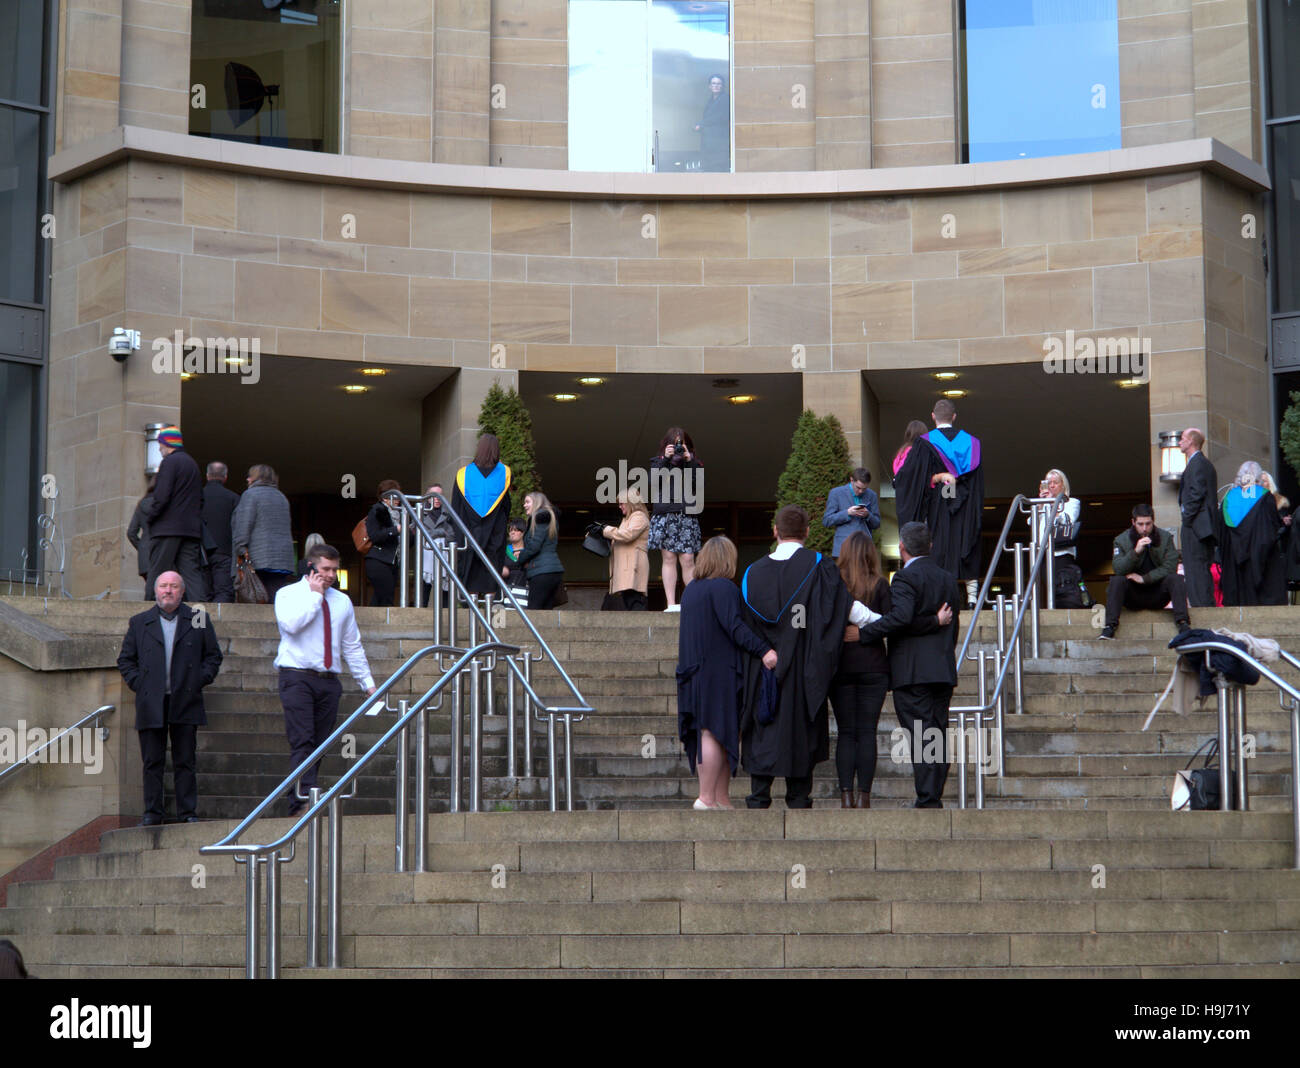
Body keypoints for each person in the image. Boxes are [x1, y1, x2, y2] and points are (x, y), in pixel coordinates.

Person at [738, 505, 853, 809]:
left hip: (763, 669)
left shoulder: (752, 573)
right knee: (800, 731)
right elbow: (837, 612)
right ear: (807, 533)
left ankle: (759, 795)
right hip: (804, 672)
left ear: (775, 531)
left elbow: (744, 627)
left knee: (763, 725)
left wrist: (766, 652)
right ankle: (799, 798)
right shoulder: (820, 567)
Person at [831, 532, 954, 809]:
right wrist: (935, 622)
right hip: (898, 668)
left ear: (902, 547)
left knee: (848, 732)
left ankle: (848, 795)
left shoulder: (897, 579)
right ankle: (872, 796)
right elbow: (902, 621)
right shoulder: (943, 578)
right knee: (924, 733)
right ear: (930, 545)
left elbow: (899, 621)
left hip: (857, 667)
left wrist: (860, 634)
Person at [273, 543, 375, 817]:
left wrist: (368, 683)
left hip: (329, 681)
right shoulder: (288, 594)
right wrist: (315, 598)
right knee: (303, 739)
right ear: (311, 568)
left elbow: (352, 645)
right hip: (296, 676)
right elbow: (291, 625)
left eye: (334, 569)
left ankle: (300, 793)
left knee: (319, 744)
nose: (331, 574)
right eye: (325, 569)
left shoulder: (342, 602)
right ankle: (303, 800)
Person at [677, 537, 778, 810]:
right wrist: (764, 650)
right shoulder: (723, 588)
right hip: (717, 671)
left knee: (711, 732)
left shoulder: (691, 590)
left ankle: (721, 799)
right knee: (714, 732)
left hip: (693, 671)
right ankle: (707, 797)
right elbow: (735, 627)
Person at [116, 570, 223, 825]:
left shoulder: (197, 617)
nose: (168, 591)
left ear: (182, 591)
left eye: (174, 586)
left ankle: (187, 813)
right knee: (152, 761)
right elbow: (125, 660)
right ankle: (153, 812)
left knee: (185, 760)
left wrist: (198, 679)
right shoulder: (140, 621)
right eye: (163, 586)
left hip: (185, 700)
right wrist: (139, 684)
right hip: (151, 701)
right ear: (155, 591)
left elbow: (213, 656)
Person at [1099, 503, 1190, 639]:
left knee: (1176, 579)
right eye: (1140, 524)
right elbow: (1118, 569)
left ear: (1153, 521)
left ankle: (1183, 623)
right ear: (1133, 522)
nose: (1144, 528)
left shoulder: (1165, 538)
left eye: (1148, 524)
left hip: (1158, 593)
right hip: (1133, 596)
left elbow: (1170, 567)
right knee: (1116, 580)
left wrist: (1144, 578)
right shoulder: (1121, 540)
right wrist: (1135, 552)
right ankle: (1109, 627)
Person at [143, 426, 208, 602]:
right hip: (190, 531)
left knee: (156, 573)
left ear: (167, 443)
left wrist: (150, 517)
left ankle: (147, 618)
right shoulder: (192, 464)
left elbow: (161, 497)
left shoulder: (169, 463)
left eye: (160, 444)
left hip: (167, 529)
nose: (159, 448)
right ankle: (199, 622)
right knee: (192, 577)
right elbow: (200, 500)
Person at [649, 426, 704, 611]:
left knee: (688, 559)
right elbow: (652, 484)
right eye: (674, 444)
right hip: (665, 514)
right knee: (669, 557)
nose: (679, 448)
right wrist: (665, 459)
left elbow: (697, 486)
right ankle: (671, 603)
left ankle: (693, 603)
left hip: (686, 514)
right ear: (666, 445)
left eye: (682, 444)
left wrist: (689, 461)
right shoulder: (657, 462)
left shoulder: (694, 463)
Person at [1219, 461, 1287, 606]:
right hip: (1259, 562)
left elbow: (1222, 533)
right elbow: (1270, 530)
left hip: (1235, 563)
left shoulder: (1229, 498)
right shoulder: (1265, 496)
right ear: (1257, 477)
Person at [452, 434, 512, 595]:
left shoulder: (463, 475)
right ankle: (490, 610)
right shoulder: (504, 473)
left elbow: (455, 508)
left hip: (469, 536)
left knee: (470, 575)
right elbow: (507, 507)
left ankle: (471, 608)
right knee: (491, 576)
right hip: (494, 536)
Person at [231, 464, 296, 601]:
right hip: (282, 559)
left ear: (255, 478)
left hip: (259, 557)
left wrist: (240, 548)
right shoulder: (282, 497)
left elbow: (244, 525)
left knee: (255, 596)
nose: (247, 479)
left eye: (250, 476)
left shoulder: (250, 495)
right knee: (276, 597)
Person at [1028, 468, 1087, 607]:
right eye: (1049, 483)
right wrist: (1042, 503)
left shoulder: (1071, 502)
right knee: (1048, 588)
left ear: (1063, 485)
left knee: (1064, 588)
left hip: (1062, 553)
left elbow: (1067, 520)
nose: (1052, 486)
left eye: (1055, 482)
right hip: (1043, 553)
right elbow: (1031, 522)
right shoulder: (1042, 504)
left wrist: (1053, 503)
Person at [1178, 427, 1218, 607]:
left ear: (1191, 441)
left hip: (1197, 527)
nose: (1179, 442)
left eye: (1182, 438)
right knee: (1198, 569)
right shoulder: (1201, 464)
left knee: (1196, 570)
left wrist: (1187, 519)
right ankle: (1202, 605)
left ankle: (1202, 608)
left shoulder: (1198, 464)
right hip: (1201, 526)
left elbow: (1196, 494)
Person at [601, 489, 650, 611]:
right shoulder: (629, 519)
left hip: (633, 565)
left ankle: (642, 629)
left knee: (635, 600)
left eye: (622, 503)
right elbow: (620, 536)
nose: (620, 506)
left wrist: (605, 530)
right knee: (630, 599)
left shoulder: (639, 516)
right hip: (628, 566)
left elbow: (627, 535)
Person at [516, 491, 565, 609]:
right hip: (551, 570)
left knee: (534, 610)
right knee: (546, 611)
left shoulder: (540, 519)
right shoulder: (548, 518)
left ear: (537, 503)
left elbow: (534, 546)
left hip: (542, 572)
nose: (524, 505)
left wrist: (520, 558)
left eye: (527, 502)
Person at [201, 461, 240, 604]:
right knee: (223, 592)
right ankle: (219, 624)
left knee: (202, 594)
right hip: (224, 551)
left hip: (200, 550)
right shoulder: (233, 498)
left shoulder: (196, 496)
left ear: (207, 476)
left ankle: (200, 624)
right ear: (225, 477)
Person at [823, 467, 881, 558]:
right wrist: (847, 513)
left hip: (864, 550)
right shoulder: (836, 493)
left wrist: (868, 515)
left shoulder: (872, 495)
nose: (861, 491)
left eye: (864, 489)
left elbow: (877, 523)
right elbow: (827, 521)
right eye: (858, 488)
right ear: (851, 480)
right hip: (843, 549)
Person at [364, 480, 403, 607]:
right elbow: (375, 536)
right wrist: (395, 530)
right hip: (377, 560)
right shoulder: (377, 510)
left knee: (381, 596)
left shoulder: (400, 513)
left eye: (398, 496)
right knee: (386, 596)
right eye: (394, 496)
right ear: (384, 498)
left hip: (393, 561)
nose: (398, 500)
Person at [420, 482, 456, 604]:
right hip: (425, 558)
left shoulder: (449, 513)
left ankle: (446, 619)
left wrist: (434, 534)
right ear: (427, 497)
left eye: (440, 495)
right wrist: (440, 532)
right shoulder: (419, 512)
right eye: (433, 495)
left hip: (444, 556)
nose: (437, 498)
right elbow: (418, 534)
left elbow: (453, 535)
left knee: (445, 592)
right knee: (423, 591)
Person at [127, 474, 156, 601]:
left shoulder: (141, 504)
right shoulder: (166, 503)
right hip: (161, 549)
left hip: (145, 552)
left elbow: (131, 533)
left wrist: (143, 548)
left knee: (151, 587)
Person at [693, 74, 730, 172]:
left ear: (722, 86)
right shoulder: (710, 101)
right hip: (709, 144)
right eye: (714, 83)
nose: (716, 86)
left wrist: (701, 124)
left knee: (717, 170)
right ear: (709, 86)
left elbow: (721, 117)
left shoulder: (725, 98)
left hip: (719, 144)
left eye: (719, 83)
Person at [502, 519, 529, 604]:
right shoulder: (503, 550)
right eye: (510, 530)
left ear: (523, 533)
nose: (512, 533)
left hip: (525, 590)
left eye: (516, 530)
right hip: (506, 590)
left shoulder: (529, 550)